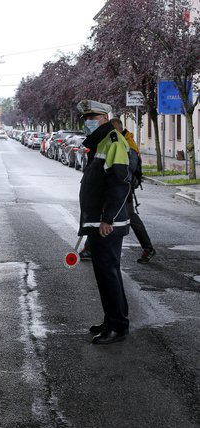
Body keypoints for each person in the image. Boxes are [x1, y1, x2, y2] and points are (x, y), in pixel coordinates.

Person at [77, 100, 132, 345]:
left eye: (91, 116)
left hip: (107, 223)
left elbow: (119, 184)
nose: (87, 121)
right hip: (99, 221)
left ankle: (117, 326)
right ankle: (113, 319)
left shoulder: (112, 140)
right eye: (85, 117)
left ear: (103, 118)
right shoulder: (101, 141)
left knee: (108, 273)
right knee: (107, 273)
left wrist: (107, 218)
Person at [110, 118, 156, 264]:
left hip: (124, 188)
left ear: (117, 129)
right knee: (108, 214)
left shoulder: (128, 144)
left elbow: (128, 169)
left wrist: (119, 183)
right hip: (119, 187)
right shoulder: (121, 140)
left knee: (129, 216)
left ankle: (148, 248)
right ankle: (90, 248)